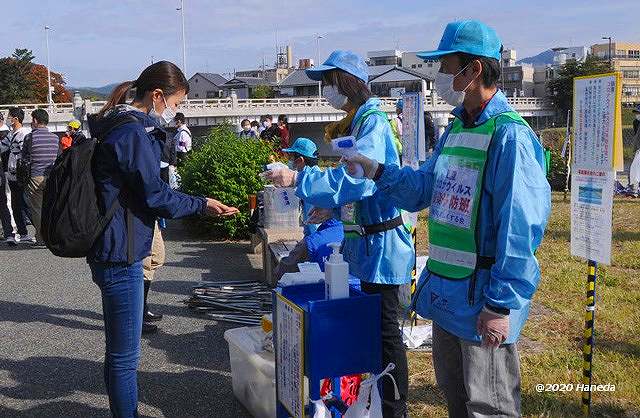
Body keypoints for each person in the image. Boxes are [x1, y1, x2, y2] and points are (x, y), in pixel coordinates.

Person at [345, 21, 551, 417]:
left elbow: (520, 229)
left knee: (488, 406)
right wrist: (376, 170)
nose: (438, 77)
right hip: (449, 295)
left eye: (446, 66)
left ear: (473, 70)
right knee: (457, 398)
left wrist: (502, 306)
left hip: (485, 301)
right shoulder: (456, 128)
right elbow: (424, 188)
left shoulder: (510, 137)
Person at [265, 50, 413, 418]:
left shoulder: (375, 123)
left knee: (386, 334)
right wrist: (333, 207)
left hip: (382, 244)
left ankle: (394, 410)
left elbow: (357, 181)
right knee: (370, 333)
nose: (326, 91)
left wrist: (299, 179)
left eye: (329, 82)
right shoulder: (357, 122)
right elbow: (357, 187)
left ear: (345, 82)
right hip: (363, 243)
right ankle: (371, 403)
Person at [88, 60, 239, 417]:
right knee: (125, 359)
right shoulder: (132, 133)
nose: (174, 111)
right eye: (175, 102)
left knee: (117, 353)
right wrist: (202, 204)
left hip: (108, 246)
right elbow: (156, 196)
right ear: (157, 96)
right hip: (121, 253)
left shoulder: (115, 124)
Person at [22, 108, 60, 247]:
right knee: (50, 207)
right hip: (50, 177)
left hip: (35, 176)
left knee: (37, 209)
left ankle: (41, 239)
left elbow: (24, 157)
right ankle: (53, 236)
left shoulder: (30, 137)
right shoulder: (55, 138)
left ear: (35, 121)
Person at [0, 107, 33, 245]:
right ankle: (23, 232)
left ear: (16, 119)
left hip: (21, 175)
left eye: (10, 116)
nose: (8, 119)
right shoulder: (12, 134)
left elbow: (26, 154)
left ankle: (43, 232)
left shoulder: (24, 134)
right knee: (15, 205)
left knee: (25, 204)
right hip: (13, 176)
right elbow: (2, 147)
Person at [0, 113, 13, 242]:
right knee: (5, 203)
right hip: (5, 172)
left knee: (5, 202)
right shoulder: (8, 133)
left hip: (5, 172)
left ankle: (9, 232)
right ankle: (9, 232)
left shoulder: (5, 133)